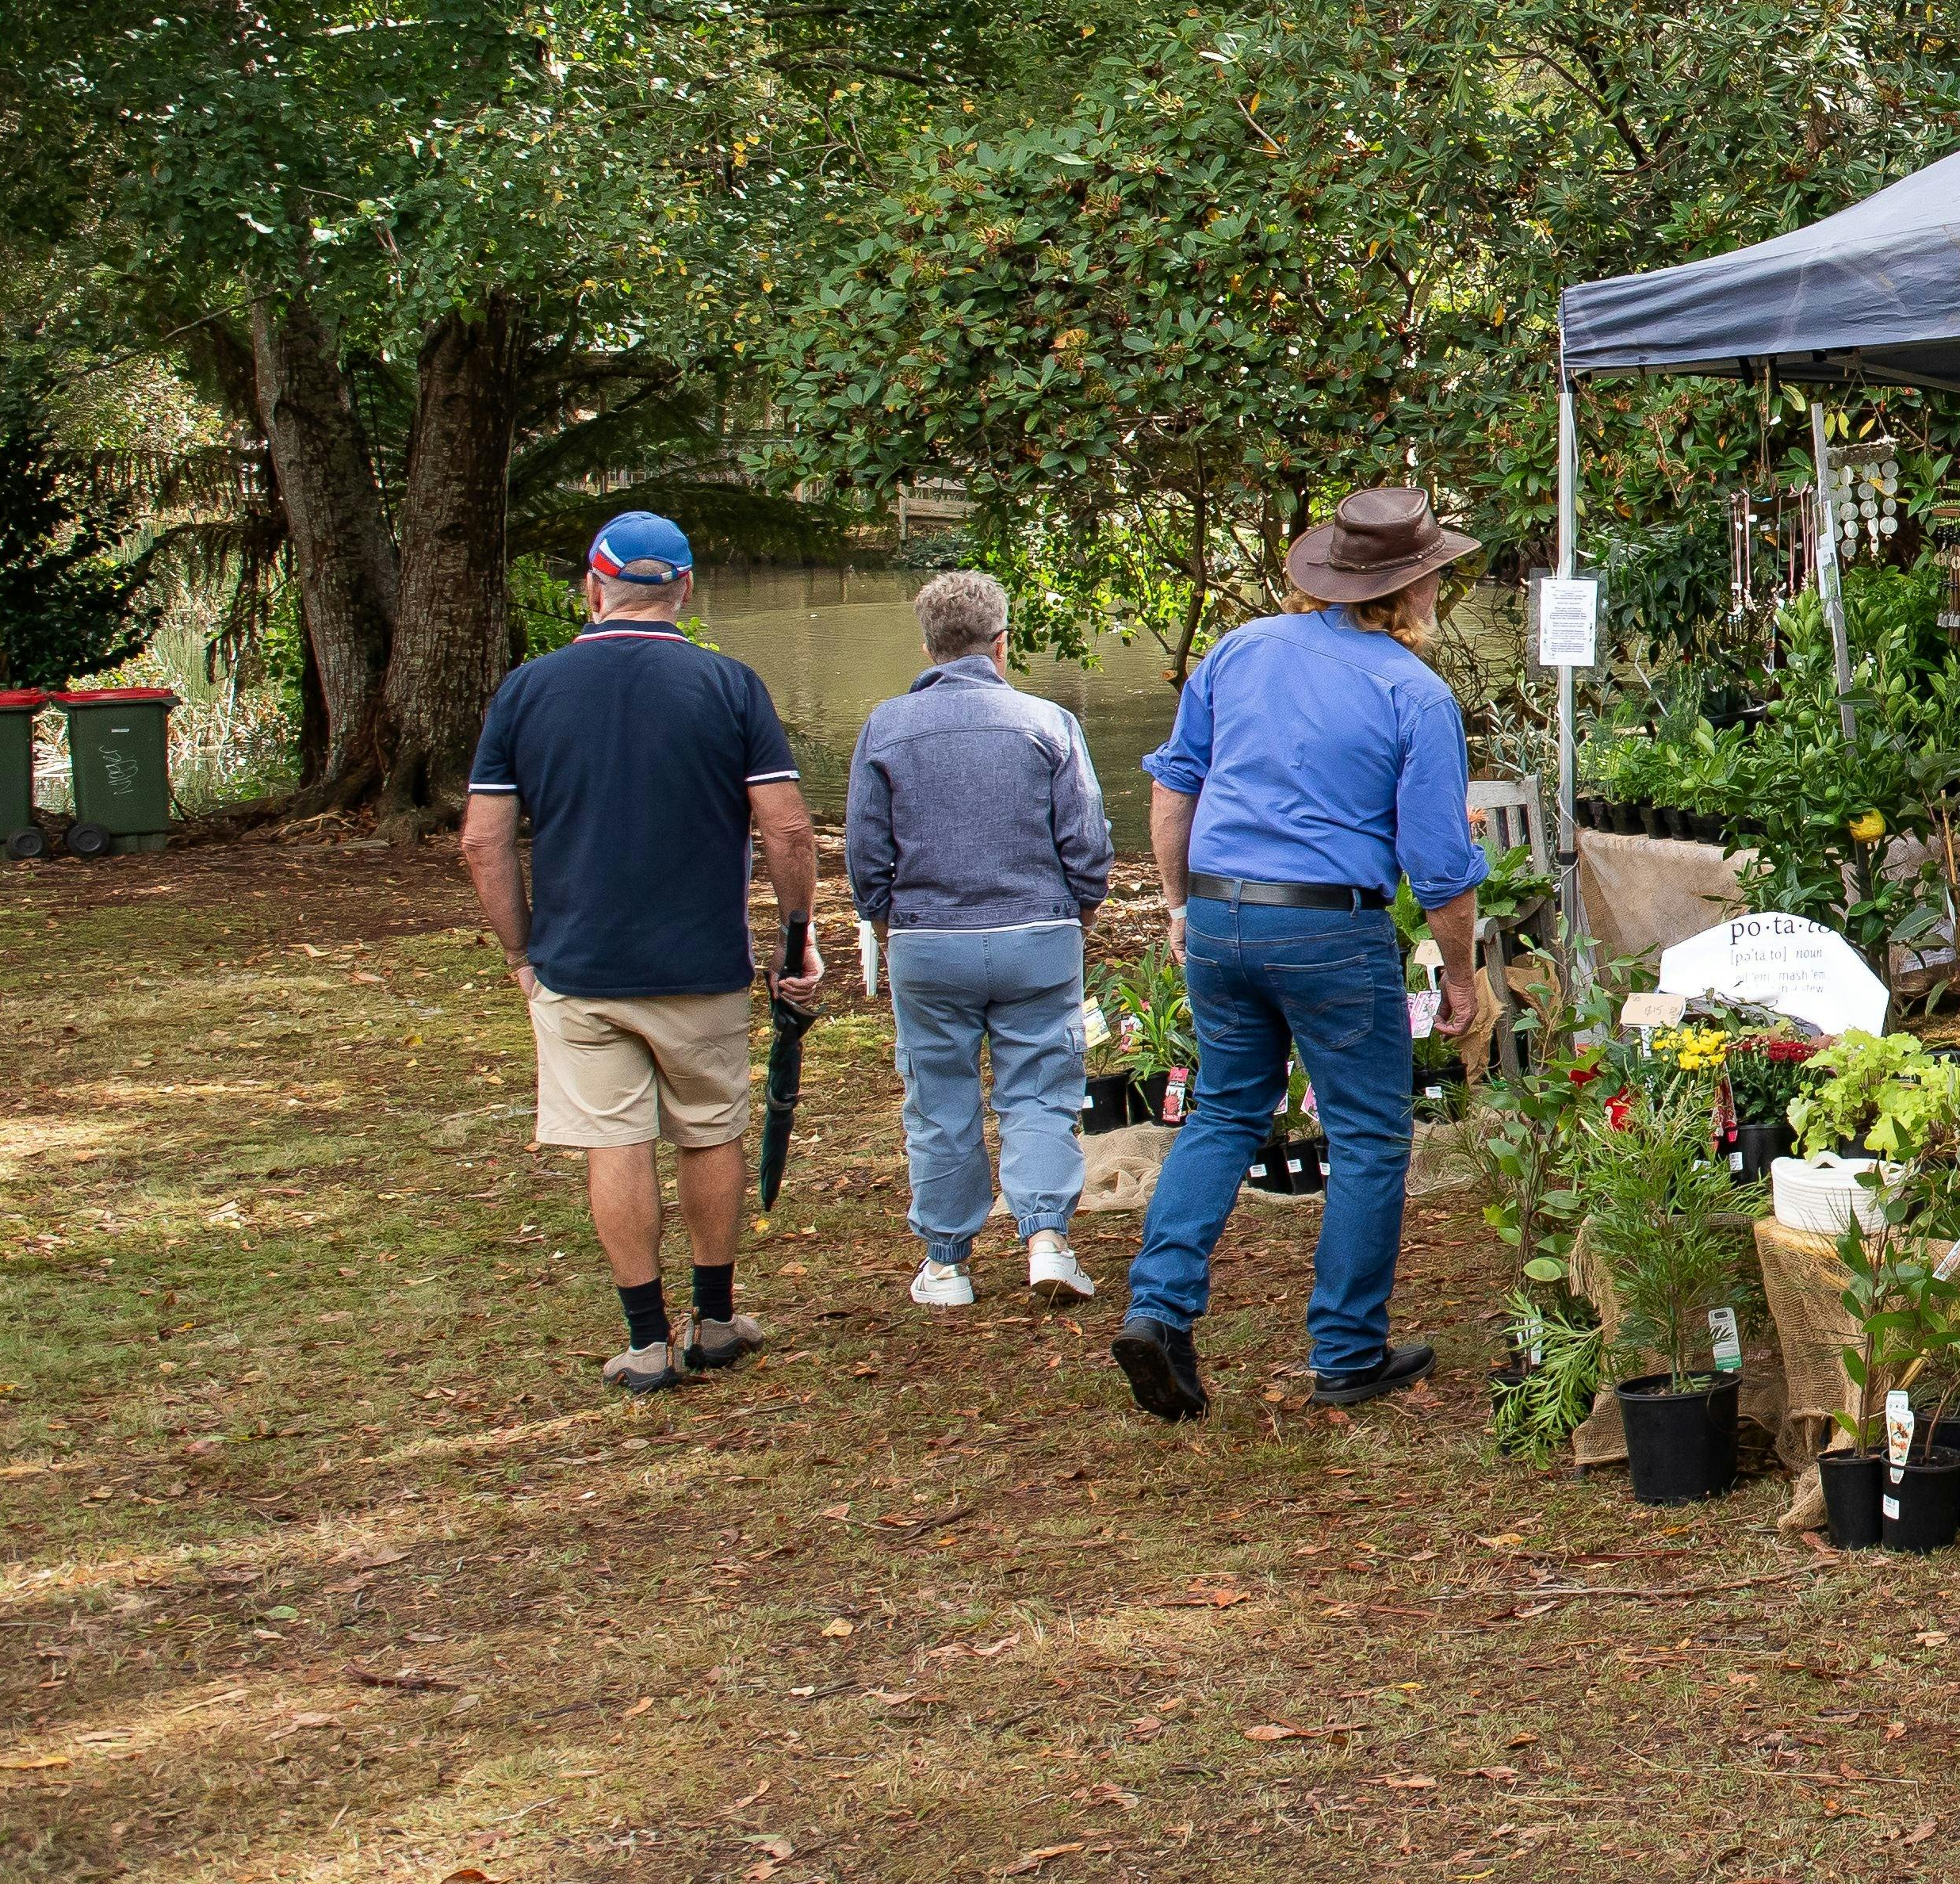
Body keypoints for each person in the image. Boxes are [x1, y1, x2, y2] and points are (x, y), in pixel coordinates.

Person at [1114, 488, 1494, 1422]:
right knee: (1369, 1132)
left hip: (1219, 912)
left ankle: (1158, 1310)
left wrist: (1176, 904)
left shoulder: (1239, 650)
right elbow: (1440, 865)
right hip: (1329, 925)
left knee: (1224, 1111)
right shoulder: (1415, 693)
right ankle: (1348, 1351)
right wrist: (1460, 973)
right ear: (1413, 590)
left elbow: (1175, 790)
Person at [457, 512, 814, 1395]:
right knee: (711, 1128)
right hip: (700, 961)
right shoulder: (730, 685)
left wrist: (520, 951)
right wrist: (796, 941)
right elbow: (788, 826)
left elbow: (482, 841)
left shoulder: (527, 690)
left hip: (578, 963)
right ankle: (718, 1319)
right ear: (686, 589)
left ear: (592, 586)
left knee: (612, 1139)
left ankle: (647, 1340)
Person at [844, 569, 1114, 1314]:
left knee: (938, 1099)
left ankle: (946, 1262)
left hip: (929, 940)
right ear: (1003, 643)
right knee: (1042, 1089)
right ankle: (1047, 1240)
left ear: (928, 645)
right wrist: (1079, 908)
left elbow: (867, 849)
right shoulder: (1050, 722)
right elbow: (1085, 841)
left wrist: (883, 916)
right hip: (1037, 933)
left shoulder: (885, 726)